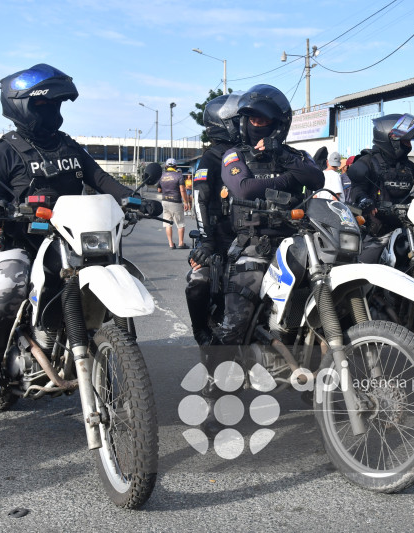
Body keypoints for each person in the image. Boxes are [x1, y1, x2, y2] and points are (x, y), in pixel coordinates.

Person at [0, 64, 161, 411]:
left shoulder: (68, 146)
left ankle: (112, 363)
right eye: (45, 106)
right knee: (6, 292)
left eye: (57, 105)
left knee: (114, 270)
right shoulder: (6, 150)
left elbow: (102, 181)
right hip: (22, 243)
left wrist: (136, 200)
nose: (53, 113)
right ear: (22, 107)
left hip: (72, 240)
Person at [203, 84, 323, 436]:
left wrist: (279, 167)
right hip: (253, 246)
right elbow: (242, 189)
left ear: (278, 124)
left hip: (296, 241)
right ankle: (215, 396)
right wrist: (287, 178)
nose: (255, 124)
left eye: (262, 119)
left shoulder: (291, 153)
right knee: (234, 325)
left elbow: (316, 176)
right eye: (251, 118)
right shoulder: (233, 155)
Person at [186, 91, 244, 347]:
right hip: (217, 239)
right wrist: (206, 242)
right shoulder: (210, 158)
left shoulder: (248, 153)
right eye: (239, 118)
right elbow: (199, 200)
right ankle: (200, 331)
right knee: (198, 281)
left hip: (248, 238)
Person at [348, 113, 414, 263]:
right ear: (391, 139)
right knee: (365, 270)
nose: (409, 145)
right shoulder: (368, 161)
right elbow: (357, 189)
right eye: (405, 141)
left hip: (408, 228)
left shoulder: (409, 166)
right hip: (377, 231)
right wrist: (364, 200)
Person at [157, 158, 187, 249]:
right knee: (180, 223)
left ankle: (171, 244)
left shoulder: (161, 176)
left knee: (167, 223)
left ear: (166, 166)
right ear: (175, 166)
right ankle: (181, 243)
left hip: (165, 201)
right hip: (176, 201)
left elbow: (159, 190)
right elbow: (182, 190)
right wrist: (186, 202)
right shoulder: (179, 176)